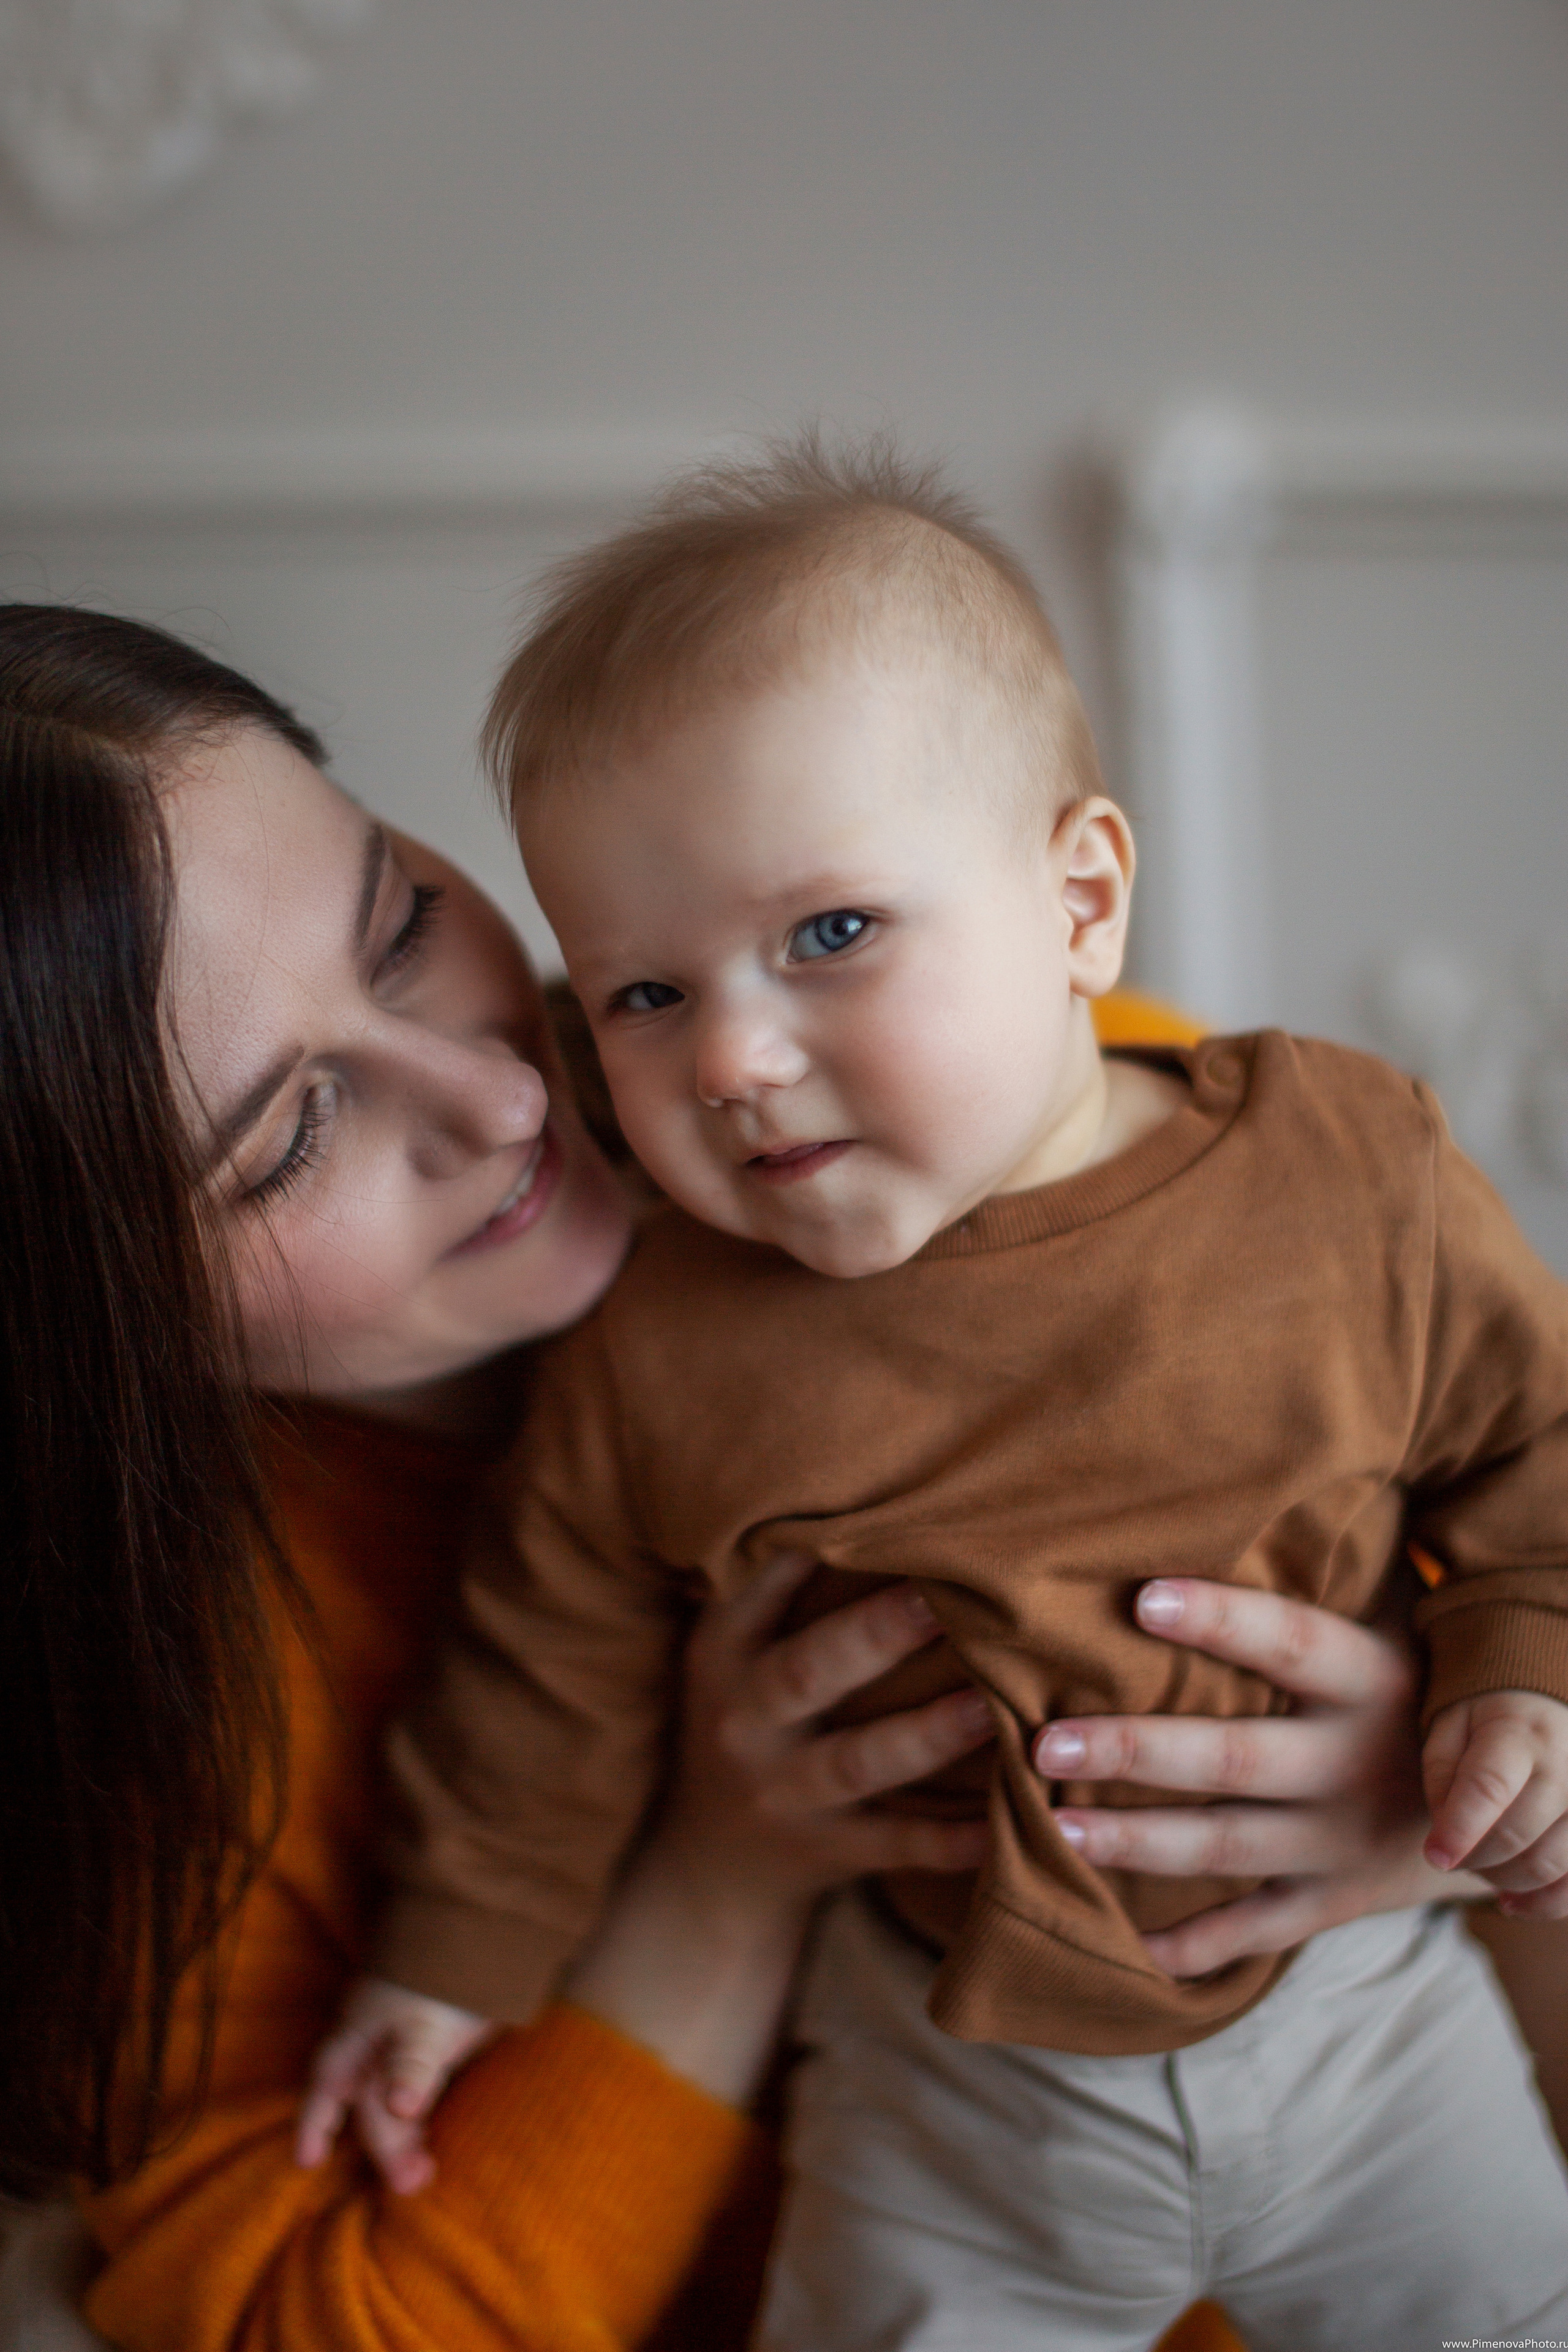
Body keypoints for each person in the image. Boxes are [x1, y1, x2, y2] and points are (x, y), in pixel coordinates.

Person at [0, 598, 1553, 2352]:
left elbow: (1509, 1507)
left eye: (405, 922)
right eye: (288, 1137)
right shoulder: (154, 1715)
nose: (504, 1099)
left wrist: (1433, 1804)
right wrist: (715, 1884)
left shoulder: (1065, 1114)